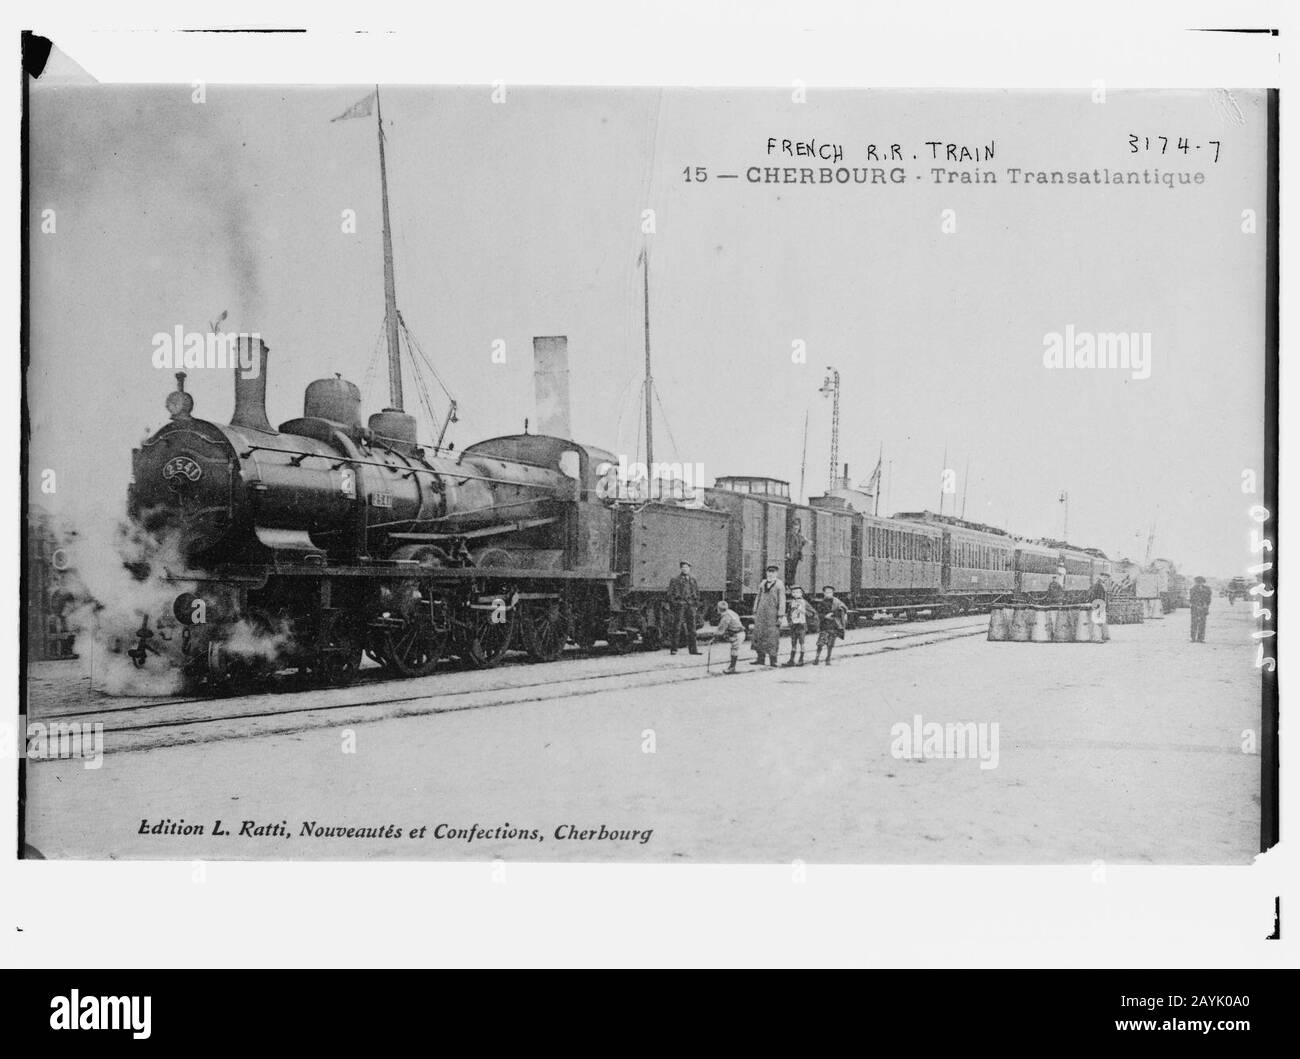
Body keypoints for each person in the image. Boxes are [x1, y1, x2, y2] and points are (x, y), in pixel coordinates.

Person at [750, 563, 786, 668]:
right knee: (759, 635)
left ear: (776, 573)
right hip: (761, 614)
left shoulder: (779, 585)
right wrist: (755, 610)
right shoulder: (763, 584)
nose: (770, 574)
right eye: (769, 572)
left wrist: (780, 616)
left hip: (772, 615)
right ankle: (760, 658)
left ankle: (773, 660)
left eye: (773, 572)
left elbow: (782, 601)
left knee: (772, 637)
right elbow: (758, 597)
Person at [666, 560, 701, 656]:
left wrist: (695, 605)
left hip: (690, 605)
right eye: (683, 567)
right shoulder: (675, 579)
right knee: (676, 627)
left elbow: (697, 593)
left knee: (692, 628)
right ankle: (674, 649)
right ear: (680, 569)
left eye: (687, 567)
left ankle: (693, 650)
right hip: (680, 605)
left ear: (689, 568)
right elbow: (670, 594)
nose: (685, 569)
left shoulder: (693, 580)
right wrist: (676, 604)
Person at [812, 585, 848, 666]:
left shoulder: (837, 602)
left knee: (830, 644)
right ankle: (816, 659)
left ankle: (828, 659)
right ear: (824, 593)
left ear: (833, 593)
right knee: (820, 643)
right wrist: (825, 616)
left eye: (830, 592)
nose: (828, 594)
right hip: (824, 626)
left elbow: (844, 609)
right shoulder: (821, 603)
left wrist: (833, 614)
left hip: (833, 626)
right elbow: (818, 614)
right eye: (826, 592)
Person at [711, 599, 745, 675]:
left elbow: (720, 630)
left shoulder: (725, 617)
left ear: (718, 609)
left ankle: (732, 668)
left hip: (737, 634)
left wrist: (713, 639)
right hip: (740, 632)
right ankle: (732, 667)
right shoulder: (731, 612)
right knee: (734, 649)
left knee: (734, 650)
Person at [782, 586, 810, 667]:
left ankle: (801, 659)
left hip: (801, 624)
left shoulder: (804, 602)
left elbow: (811, 613)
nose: (795, 594)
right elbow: (788, 612)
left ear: (801, 593)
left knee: (802, 642)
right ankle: (791, 659)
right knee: (793, 642)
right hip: (794, 625)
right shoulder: (792, 602)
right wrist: (789, 621)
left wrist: (803, 611)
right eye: (793, 592)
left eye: (798, 592)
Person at [1190, 575, 1213, 642]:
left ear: (1203, 582)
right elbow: (1192, 599)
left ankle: (1200, 638)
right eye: (1198, 582)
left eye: (1201, 582)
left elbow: (1208, 599)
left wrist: (1206, 605)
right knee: (1194, 623)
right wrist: (1196, 605)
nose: (1199, 583)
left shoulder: (1207, 589)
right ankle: (1193, 638)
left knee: (1202, 624)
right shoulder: (1193, 589)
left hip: (1203, 608)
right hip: (1195, 608)